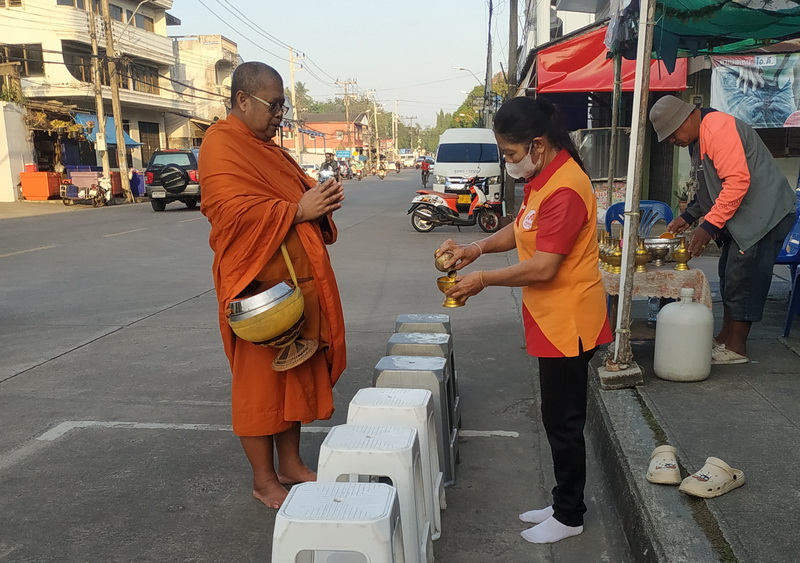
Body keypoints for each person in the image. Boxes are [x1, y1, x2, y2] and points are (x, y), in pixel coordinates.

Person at [435, 96, 612, 544]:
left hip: (569, 320)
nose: (508, 162)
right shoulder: (544, 177)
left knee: (564, 422)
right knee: (556, 417)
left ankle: (569, 515)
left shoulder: (566, 188)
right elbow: (521, 229)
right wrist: (475, 248)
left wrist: (482, 279)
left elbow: (545, 266)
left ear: (537, 144)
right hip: (551, 318)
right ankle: (561, 500)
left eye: (510, 153)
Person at [199, 61, 346, 510]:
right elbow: (230, 215)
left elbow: (293, 199)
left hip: (296, 286)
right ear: (243, 100)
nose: (280, 114)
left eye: (283, 106)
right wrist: (298, 210)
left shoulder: (270, 151)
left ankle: (291, 465)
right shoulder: (221, 144)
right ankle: (264, 479)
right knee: (260, 387)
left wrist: (319, 203)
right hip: (257, 289)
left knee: (295, 374)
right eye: (274, 105)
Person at [650, 95, 795, 365]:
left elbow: (737, 182)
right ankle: (725, 338)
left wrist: (708, 227)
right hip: (744, 215)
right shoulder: (697, 140)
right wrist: (689, 216)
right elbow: (708, 186)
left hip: (764, 213)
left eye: (672, 134)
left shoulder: (717, 128)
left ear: (686, 118)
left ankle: (737, 347)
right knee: (729, 275)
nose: (672, 141)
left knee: (744, 277)